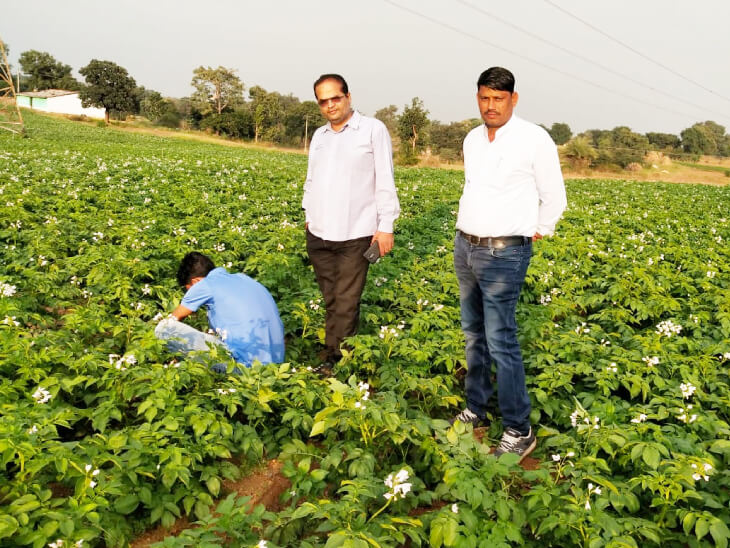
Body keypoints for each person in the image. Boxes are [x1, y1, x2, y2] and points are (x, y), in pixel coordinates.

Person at [450, 67, 567, 462]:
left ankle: (519, 428)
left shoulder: (534, 139)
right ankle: (476, 407)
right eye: (484, 98)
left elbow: (554, 195)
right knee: (473, 334)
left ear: (513, 100)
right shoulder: (471, 139)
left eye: (498, 99)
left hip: (504, 252)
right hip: (466, 246)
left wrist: (537, 228)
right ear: (478, 98)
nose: (490, 106)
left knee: (501, 340)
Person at [302, 74, 400, 372]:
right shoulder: (320, 136)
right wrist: (308, 213)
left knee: (346, 299)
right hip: (319, 232)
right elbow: (311, 179)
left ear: (348, 97)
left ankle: (336, 360)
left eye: (336, 98)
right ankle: (335, 348)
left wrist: (386, 226)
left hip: (356, 231)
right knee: (331, 296)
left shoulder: (372, 130)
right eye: (323, 101)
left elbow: (385, 178)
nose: (330, 105)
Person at [155, 252, 285, 371]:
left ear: (195, 281)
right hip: (276, 366)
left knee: (164, 329)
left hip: (244, 368)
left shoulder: (204, 284)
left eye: (188, 290)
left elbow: (174, 319)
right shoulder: (245, 279)